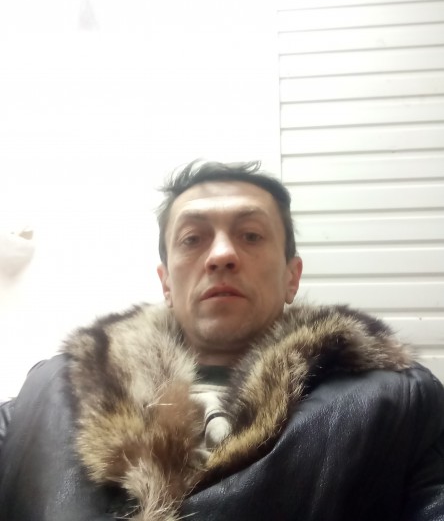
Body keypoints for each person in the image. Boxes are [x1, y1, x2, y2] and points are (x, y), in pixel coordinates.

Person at [0, 160, 443, 521]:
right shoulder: (47, 396)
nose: (222, 255)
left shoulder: (399, 407)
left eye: (250, 235)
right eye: (193, 239)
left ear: (292, 278)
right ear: (166, 283)